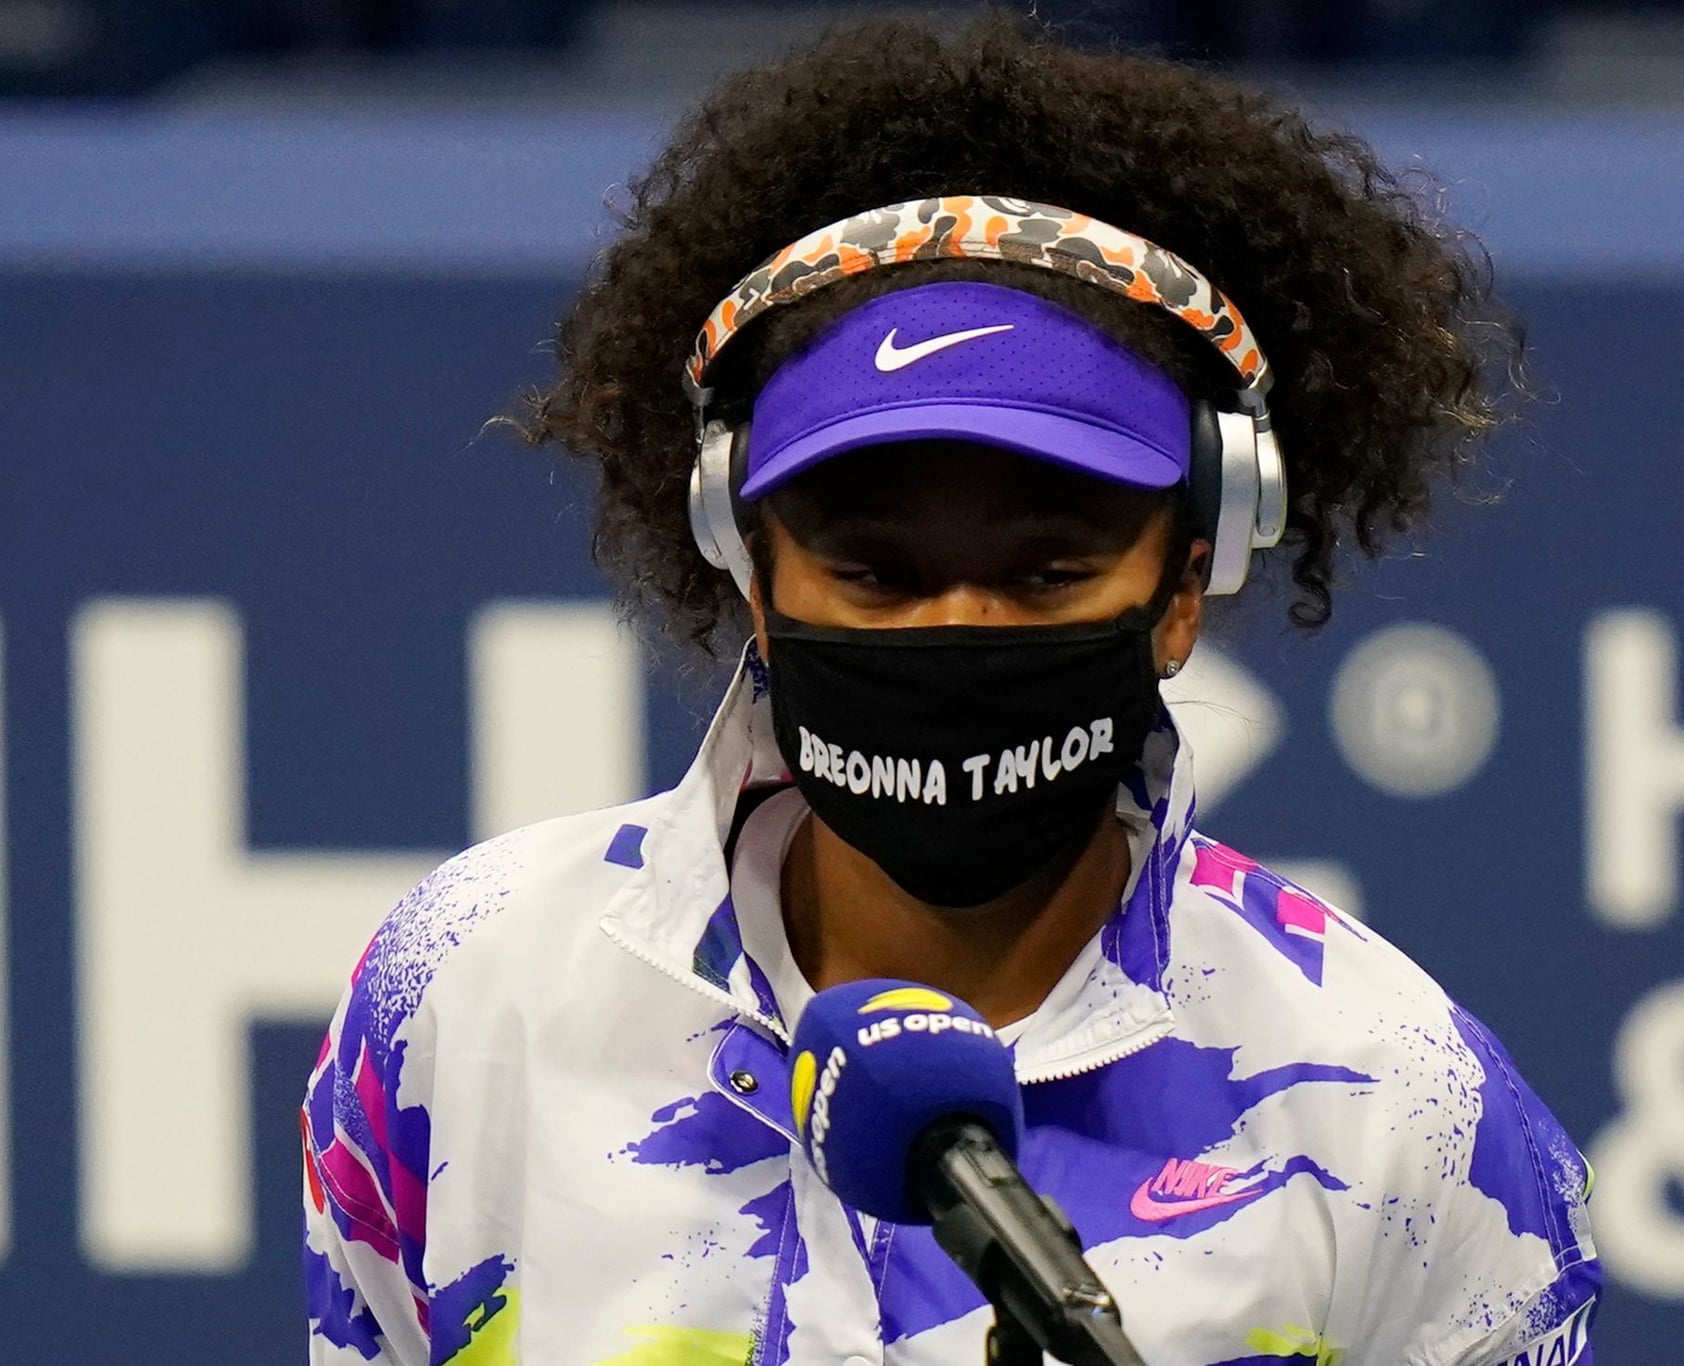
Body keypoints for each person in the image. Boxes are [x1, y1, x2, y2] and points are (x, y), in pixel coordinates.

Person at [302, 15, 1599, 1366]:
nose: (959, 627)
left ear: (1182, 586)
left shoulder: (1403, 1111)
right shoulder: (466, 996)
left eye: (1046, 571)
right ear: (751, 572)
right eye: (876, 571)